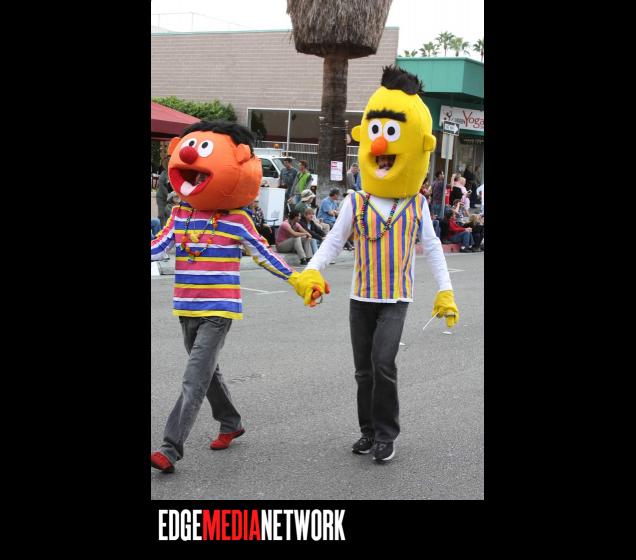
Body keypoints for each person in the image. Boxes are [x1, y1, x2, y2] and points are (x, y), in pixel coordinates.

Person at [291, 65, 459, 463]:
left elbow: (433, 248)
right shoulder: (356, 201)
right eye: (377, 142)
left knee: (383, 363)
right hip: (361, 298)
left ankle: (387, 434)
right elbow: (333, 241)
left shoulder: (416, 205)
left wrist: (446, 290)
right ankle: (367, 432)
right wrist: (312, 269)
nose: (382, 152)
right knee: (363, 371)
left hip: (396, 298)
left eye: (391, 143)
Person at [149, 120, 324, 474]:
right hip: (187, 307)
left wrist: (297, 279)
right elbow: (158, 246)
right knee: (207, 372)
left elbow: (264, 254)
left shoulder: (236, 219)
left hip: (219, 310)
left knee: (194, 377)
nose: (194, 173)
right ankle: (230, 421)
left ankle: (170, 448)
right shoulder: (180, 214)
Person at [156, 156, 174, 226]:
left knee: (169, 215)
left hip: (169, 198)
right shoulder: (164, 174)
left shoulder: (174, 173)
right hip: (161, 198)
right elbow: (162, 187)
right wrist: (169, 195)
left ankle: (167, 228)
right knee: (161, 214)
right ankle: (161, 229)